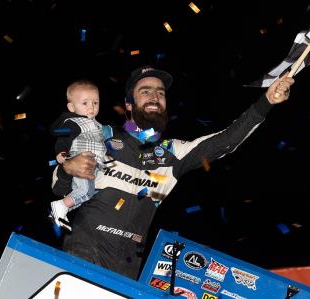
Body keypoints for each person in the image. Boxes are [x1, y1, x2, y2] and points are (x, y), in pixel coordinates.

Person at [52, 66, 294, 279]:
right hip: (82, 254)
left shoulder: (174, 153)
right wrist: (67, 169)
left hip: (126, 268)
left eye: (161, 92)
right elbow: (58, 189)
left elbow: (226, 141)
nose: (155, 96)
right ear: (128, 104)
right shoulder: (99, 136)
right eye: (145, 91)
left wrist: (266, 102)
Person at [49, 79, 107, 231]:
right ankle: (60, 206)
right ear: (72, 106)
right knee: (85, 192)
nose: (91, 107)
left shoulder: (97, 125)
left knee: (90, 193)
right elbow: (63, 138)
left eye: (95, 102)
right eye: (85, 103)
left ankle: (61, 211)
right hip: (80, 161)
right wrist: (62, 154)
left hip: (93, 164)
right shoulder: (74, 122)